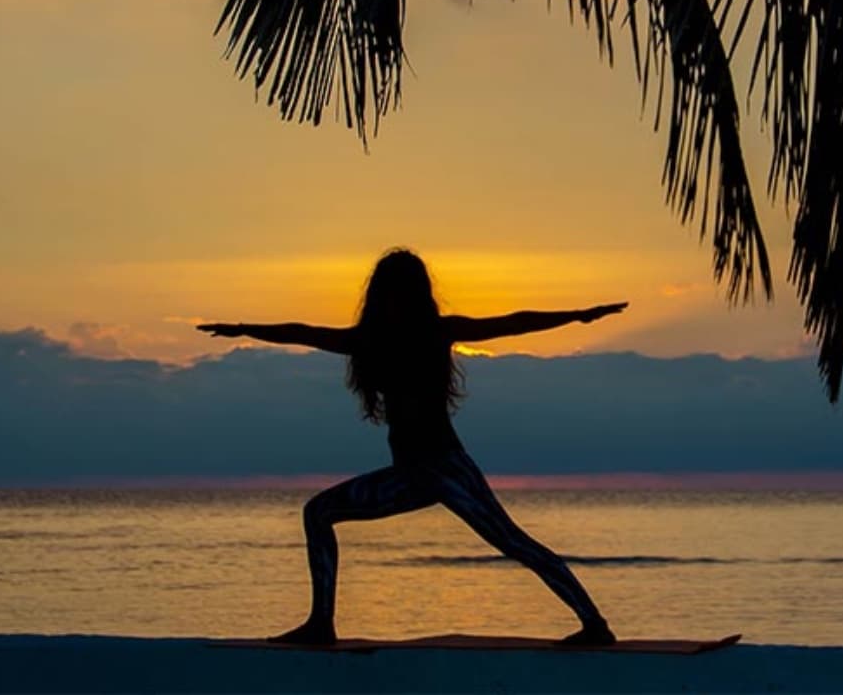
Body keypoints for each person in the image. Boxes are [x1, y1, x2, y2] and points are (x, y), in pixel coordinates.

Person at [197, 248, 627, 647]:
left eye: (400, 293)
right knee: (319, 512)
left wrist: (576, 316)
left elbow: (512, 321)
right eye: (387, 293)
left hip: (445, 467)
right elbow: (304, 333)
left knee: (513, 542)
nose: (393, 302)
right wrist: (243, 329)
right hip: (410, 475)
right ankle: (321, 624)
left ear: (414, 295)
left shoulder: (438, 332)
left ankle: (595, 624)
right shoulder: (368, 341)